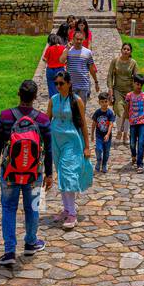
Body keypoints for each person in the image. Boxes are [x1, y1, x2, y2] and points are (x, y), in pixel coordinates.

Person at [0, 79, 54, 265]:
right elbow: (48, 150)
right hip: (34, 174)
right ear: (34, 97)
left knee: (9, 208)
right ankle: (31, 242)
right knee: (33, 207)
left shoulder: (5, 116)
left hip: (10, 173)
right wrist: (49, 174)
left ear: (19, 94)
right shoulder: (42, 120)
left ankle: (9, 251)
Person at [48, 69, 93, 228]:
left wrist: (87, 146)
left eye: (61, 83)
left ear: (69, 83)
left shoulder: (76, 100)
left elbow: (83, 124)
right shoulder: (53, 100)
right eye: (56, 84)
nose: (58, 86)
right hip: (56, 142)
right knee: (61, 174)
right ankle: (66, 209)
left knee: (68, 174)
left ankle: (72, 214)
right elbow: (47, 121)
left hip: (72, 142)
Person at [107, 40, 138, 142]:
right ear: (121, 50)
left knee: (128, 114)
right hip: (117, 90)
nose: (125, 51)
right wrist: (110, 91)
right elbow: (110, 76)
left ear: (130, 52)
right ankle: (119, 131)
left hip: (129, 91)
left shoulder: (133, 63)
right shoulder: (115, 61)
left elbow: (136, 78)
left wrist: (136, 93)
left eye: (128, 49)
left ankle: (125, 134)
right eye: (124, 49)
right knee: (119, 111)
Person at [66, 28, 99, 103]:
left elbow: (91, 68)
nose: (79, 41)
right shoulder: (68, 51)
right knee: (71, 108)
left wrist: (96, 82)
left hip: (83, 85)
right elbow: (61, 60)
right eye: (77, 39)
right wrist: (67, 48)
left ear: (84, 39)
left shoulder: (88, 52)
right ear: (73, 39)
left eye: (81, 39)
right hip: (71, 85)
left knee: (82, 108)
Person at [125, 72, 144, 173]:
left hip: (142, 121)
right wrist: (125, 121)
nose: (139, 86)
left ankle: (140, 164)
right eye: (137, 84)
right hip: (133, 123)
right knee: (132, 143)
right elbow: (127, 109)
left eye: (141, 85)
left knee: (141, 143)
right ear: (134, 83)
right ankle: (133, 155)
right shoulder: (129, 96)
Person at [91, 91, 116, 174]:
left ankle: (104, 164)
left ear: (108, 101)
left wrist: (108, 134)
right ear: (99, 102)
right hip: (99, 135)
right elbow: (94, 123)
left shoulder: (110, 113)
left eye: (106, 101)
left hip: (107, 136)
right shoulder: (97, 113)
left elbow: (111, 125)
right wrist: (92, 134)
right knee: (98, 149)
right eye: (102, 102)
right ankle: (99, 161)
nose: (104, 104)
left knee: (106, 151)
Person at [42, 31, 68, 100]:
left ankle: (53, 101)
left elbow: (44, 59)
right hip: (60, 69)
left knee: (51, 86)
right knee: (61, 85)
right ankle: (61, 99)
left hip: (50, 70)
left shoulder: (49, 49)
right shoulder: (63, 48)